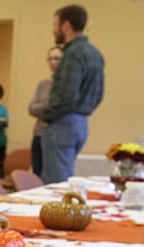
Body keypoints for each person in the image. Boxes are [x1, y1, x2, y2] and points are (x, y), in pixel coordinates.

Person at [40, 4, 104, 184]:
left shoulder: (72, 53)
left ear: (66, 26)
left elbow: (66, 95)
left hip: (62, 123)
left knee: (56, 184)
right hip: (81, 123)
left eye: (55, 25)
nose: (54, 30)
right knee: (65, 176)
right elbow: (98, 95)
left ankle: (59, 213)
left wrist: (46, 116)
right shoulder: (95, 53)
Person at [28, 46, 63, 178]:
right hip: (39, 134)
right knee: (37, 175)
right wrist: (49, 106)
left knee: (53, 177)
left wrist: (42, 108)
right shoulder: (43, 84)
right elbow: (31, 108)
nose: (53, 62)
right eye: (50, 59)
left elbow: (62, 109)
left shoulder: (66, 86)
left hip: (56, 136)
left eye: (57, 59)